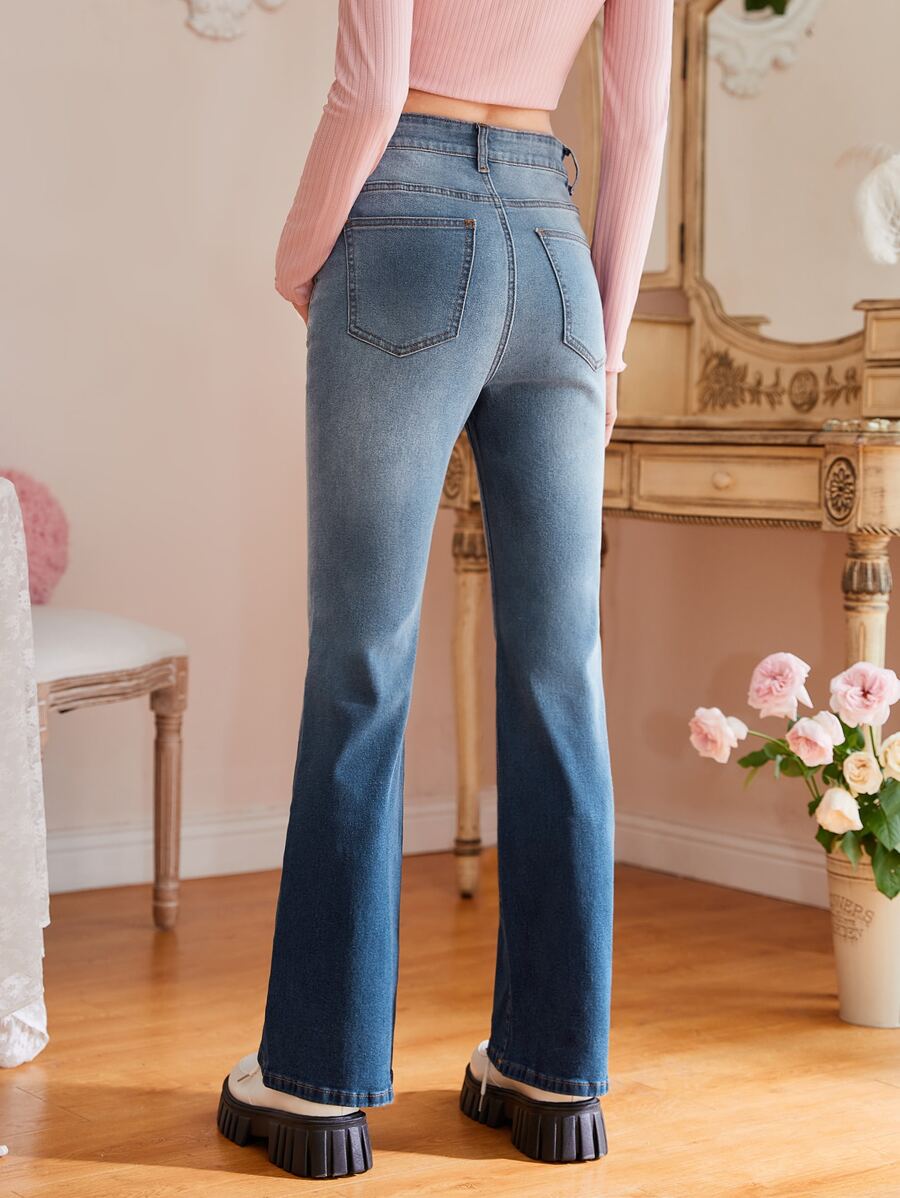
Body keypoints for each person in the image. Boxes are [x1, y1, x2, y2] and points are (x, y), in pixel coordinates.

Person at [217, 0, 674, 1179]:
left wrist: (297, 257)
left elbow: (373, 89)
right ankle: (554, 1073)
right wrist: (610, 341)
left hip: (402, 221)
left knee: (362, 661)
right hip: (558, 257)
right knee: (561, 675)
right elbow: (638, 125)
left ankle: (315, 1082)